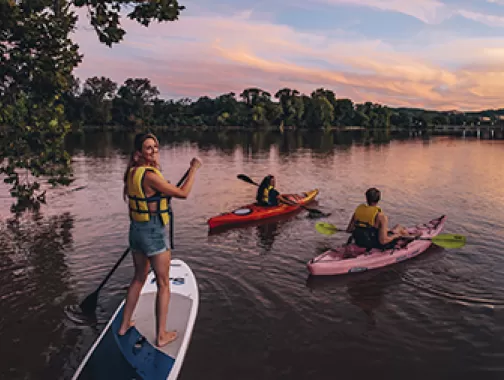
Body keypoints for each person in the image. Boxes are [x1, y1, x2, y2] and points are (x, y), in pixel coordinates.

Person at [118, 132, 202, 347]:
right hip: (153, 232)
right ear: (138, 154)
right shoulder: (151, 175)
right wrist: (193, 169)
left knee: (138, 278)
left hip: (136, 231)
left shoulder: (132, 173)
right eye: (148, 148)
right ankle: (162, 335)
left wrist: (164, 189)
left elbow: (150, 195)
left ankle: (125, 324)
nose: (154, 151)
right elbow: (183, 194)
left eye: (155, 147)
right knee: (164, 283)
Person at [345, 187, 418, 250]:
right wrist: (396, 236)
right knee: (399, 228)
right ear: (378, 199)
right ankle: (412, 239)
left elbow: (349, 230)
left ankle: (407, 235)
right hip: (375, 244)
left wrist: (362, 229)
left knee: (396, 228)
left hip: (359, 242)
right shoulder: (381, 217)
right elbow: (383, 241)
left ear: (366, 198)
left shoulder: (357, 212)